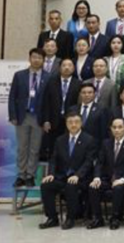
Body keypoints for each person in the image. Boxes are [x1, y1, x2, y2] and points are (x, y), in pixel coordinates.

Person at [39, 111, 97, 230]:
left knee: (71, 185)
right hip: (62, 176)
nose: (73, 125)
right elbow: (54, 159)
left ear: (81, 123)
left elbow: (89, 161)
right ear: (66, 124)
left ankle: (70, 218)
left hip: (81, 178)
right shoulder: (60, 140)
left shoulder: (89, 139)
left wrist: (78, 175)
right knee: (46, 185)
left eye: (76, 122)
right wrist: (50, 174)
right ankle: (52, 218)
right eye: (70, 122)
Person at [87, 117, 124, 229]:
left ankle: (115, 218)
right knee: (93, 187)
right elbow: (100, 162)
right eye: (114, 127)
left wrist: (123, 179)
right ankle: (97, 218)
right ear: (111, 129)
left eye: (120, 127)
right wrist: (96, 177)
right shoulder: (106, 143)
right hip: (108, 178)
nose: (117, 130)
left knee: (118, 188)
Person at [8, 48, 48, 188]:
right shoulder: (19, 75)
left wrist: (47, 120)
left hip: (39, 117)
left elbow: (49, 100)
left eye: (39, 58)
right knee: (22, 147)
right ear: (29, 58)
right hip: (22, 116)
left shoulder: (48, 77)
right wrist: (12, 115)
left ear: (43, 60)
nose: (36, 60)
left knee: (35, 148)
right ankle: (21, 175)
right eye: (34, 57)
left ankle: (30, 176)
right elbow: (13, 96)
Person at [40, 59, 81, 160]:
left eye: (69, 65)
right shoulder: (51, 82)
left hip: (71, 121)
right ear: (59, 68)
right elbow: (45, 102)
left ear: (73, 68)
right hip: (53, 121)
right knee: (53, 148)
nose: (67, 67)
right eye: (64, 65)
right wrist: (45, 120)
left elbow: (79, 104)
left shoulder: (79, 84)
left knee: (69, 148)